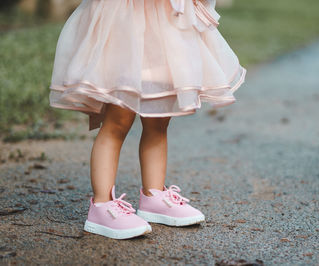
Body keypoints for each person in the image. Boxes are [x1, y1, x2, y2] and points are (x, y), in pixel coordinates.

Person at [49, 0, 246, 239]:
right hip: (125, 23)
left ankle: (154, 196)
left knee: (159, 119)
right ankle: (101, 206)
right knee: (118, 120)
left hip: (165, 28)